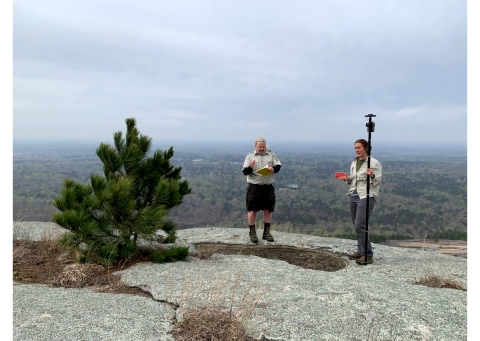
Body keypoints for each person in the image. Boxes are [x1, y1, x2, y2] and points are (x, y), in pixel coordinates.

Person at [337, 138, 382, 264]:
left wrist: (372, 175)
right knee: (356, 225)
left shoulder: (374, 163)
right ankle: (360, 251)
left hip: (366, 196)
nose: (357, 150)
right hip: (354, 195)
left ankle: (368, 254)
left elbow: (378, 181)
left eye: (359, 147)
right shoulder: (354, 162)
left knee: (359, 225)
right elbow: (354, 179)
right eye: (355, 148)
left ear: (366, 148)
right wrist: (347, 178)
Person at [242, 137, 282, 243]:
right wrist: (251, 167)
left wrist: (273, 169)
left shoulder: (271, 154)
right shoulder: (250, 156)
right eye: (259, 147)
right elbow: (245, 171)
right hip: (254, 187)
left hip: (267, 186)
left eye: (263, 146)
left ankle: (267, 232)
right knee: (252, 210)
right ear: (255, 146)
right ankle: (252, 232)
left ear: (266, 146)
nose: (261, 148)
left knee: (268, 209)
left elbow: (278, 166)